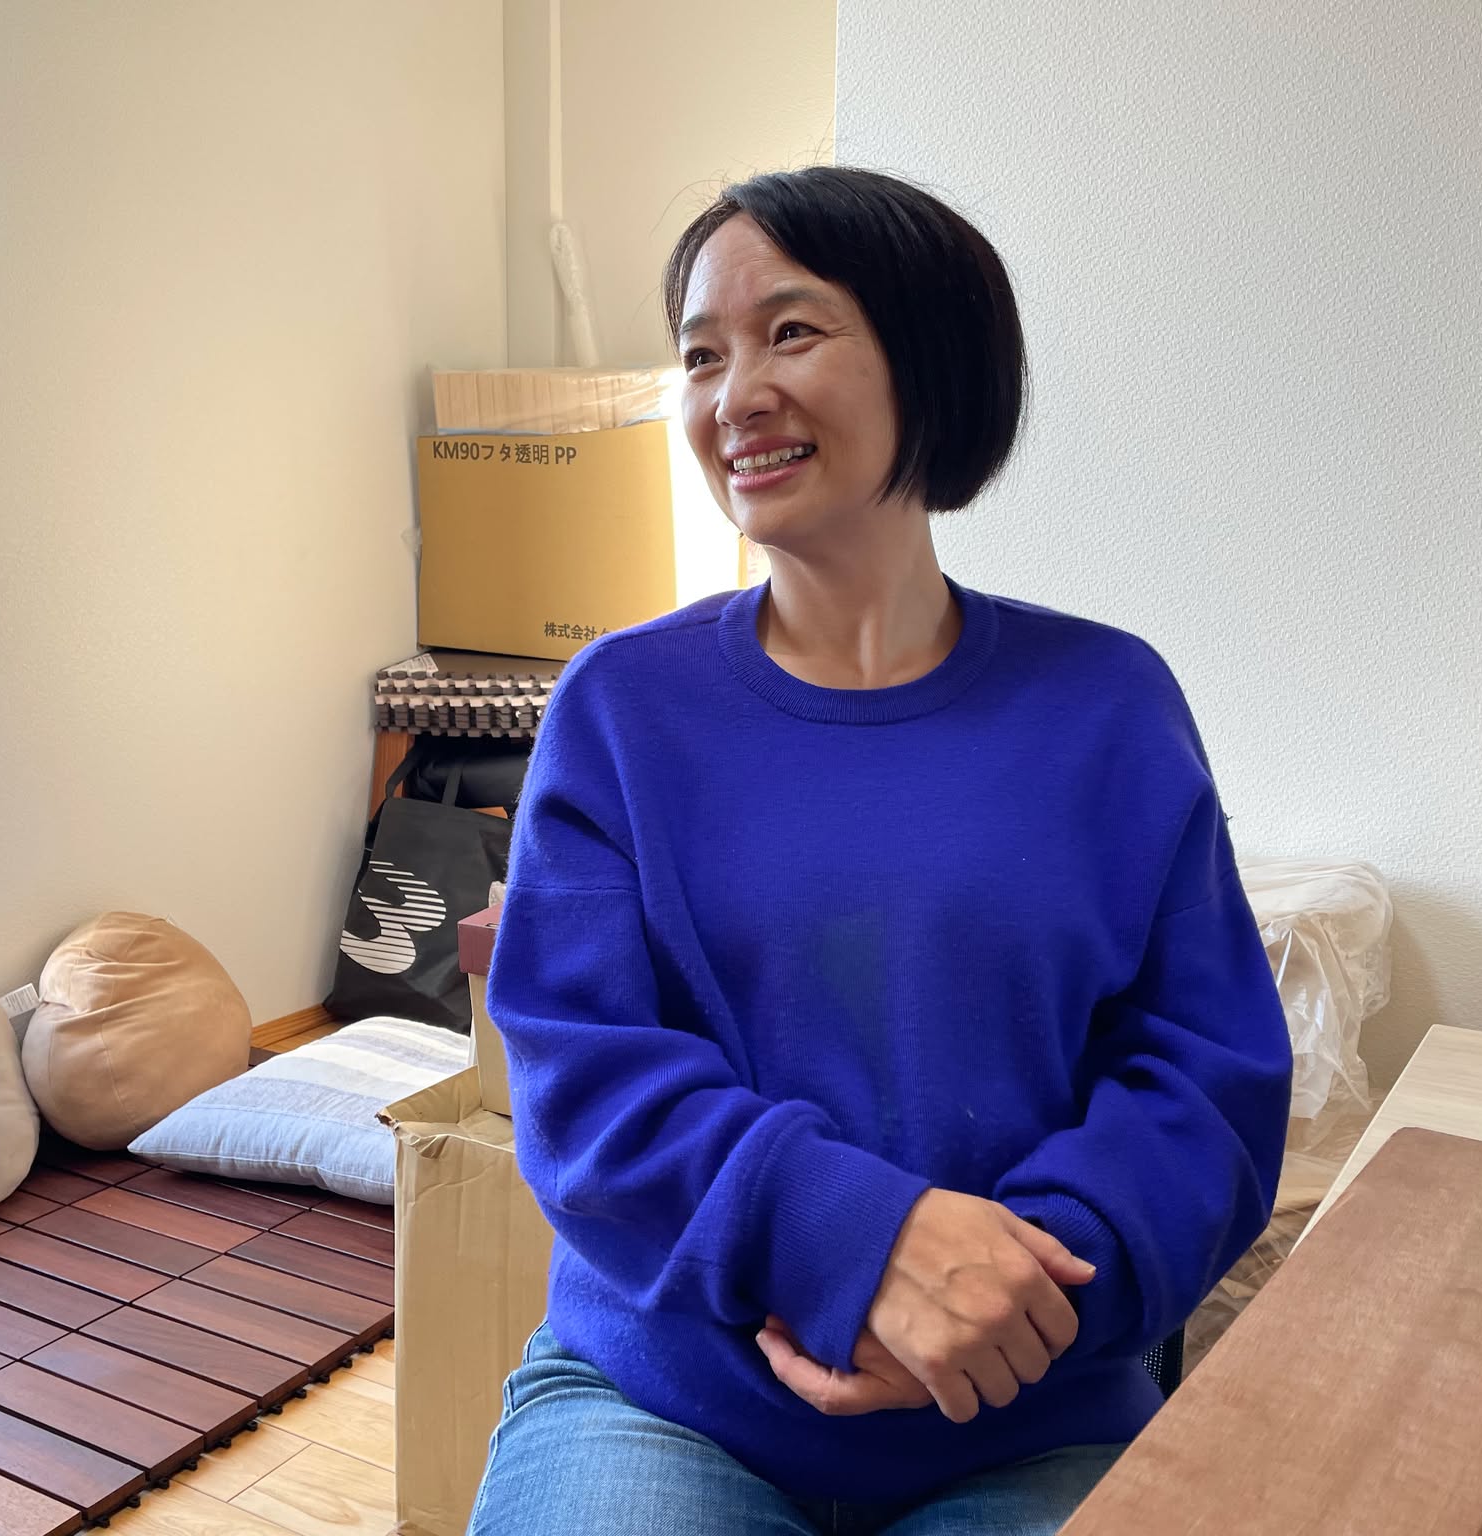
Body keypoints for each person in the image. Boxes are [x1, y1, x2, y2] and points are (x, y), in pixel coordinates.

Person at [470, 166, 1292, 1535]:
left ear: (931, 357)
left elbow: (1207, 1082)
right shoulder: (620, 706)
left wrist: (1010, 1294)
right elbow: (579, 1073)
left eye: (791, 332)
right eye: (701, 356)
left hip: (1027, 1413)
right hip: (670, 1398)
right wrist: (857, 1241)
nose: (735, 395)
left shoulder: (1109, 704)